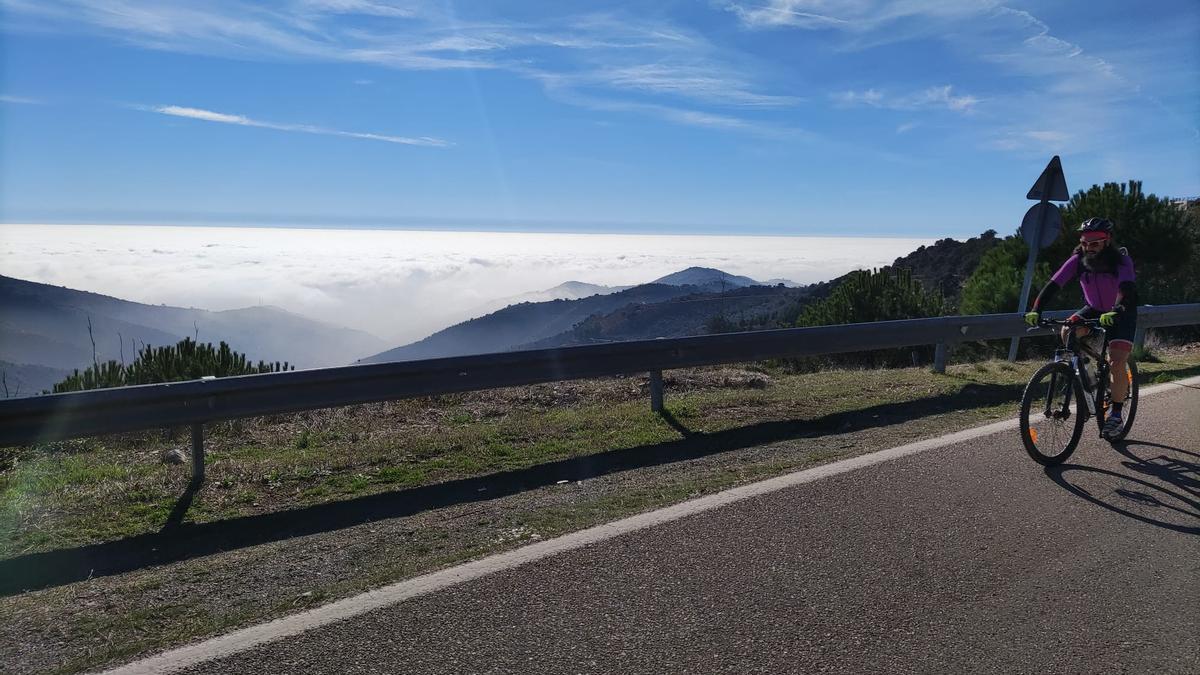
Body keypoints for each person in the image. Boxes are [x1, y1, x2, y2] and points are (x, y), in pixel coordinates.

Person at [1024, 217, 1137, 437]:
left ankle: (1115, 414)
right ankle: (1089, 385)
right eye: (1085, 243)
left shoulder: (1121, 261)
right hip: (1093, 308)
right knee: (1068, 330)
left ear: (1107, 241)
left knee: (1116, 362)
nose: (1089, 248)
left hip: (1121, 310)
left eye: (1094, 243)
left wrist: (1117, 309)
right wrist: (1036, 309)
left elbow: (1126, 288)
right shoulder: (1077, 259)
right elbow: (1054, 284)